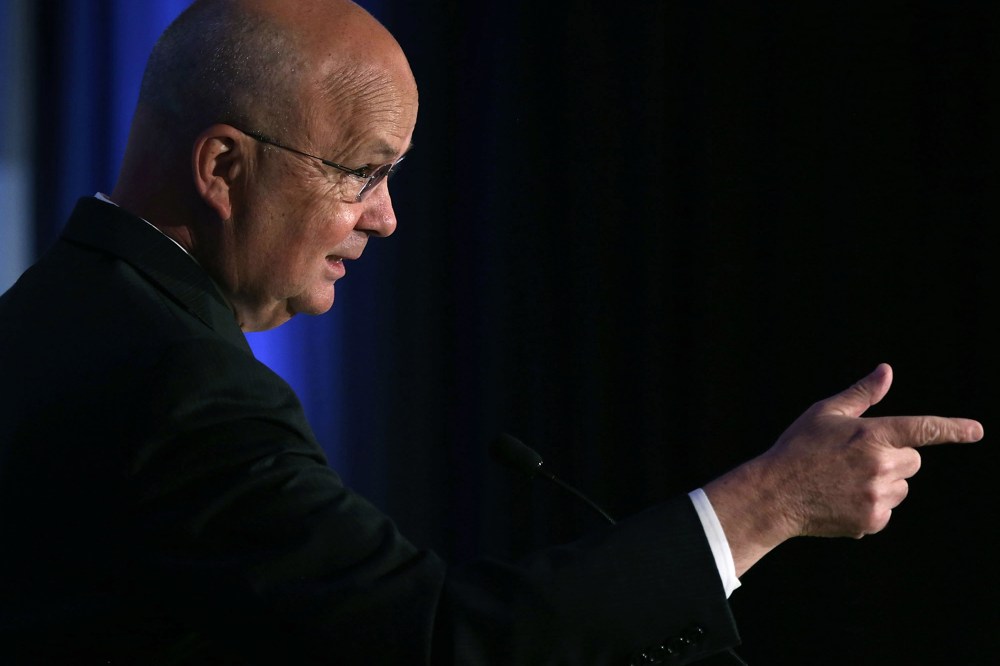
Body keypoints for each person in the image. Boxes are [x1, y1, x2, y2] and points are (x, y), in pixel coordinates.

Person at [0, 0, 983, 664]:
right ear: (223, 169)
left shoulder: (55, 312)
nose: (384, 219)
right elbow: (434, 644)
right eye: (362, 172)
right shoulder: (182, 384)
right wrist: (770, 500)